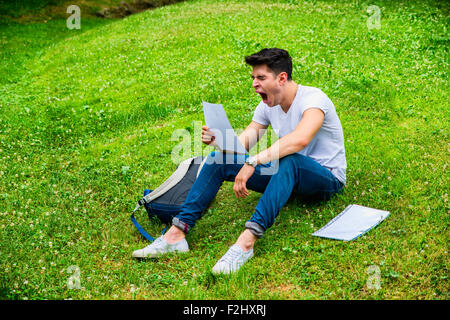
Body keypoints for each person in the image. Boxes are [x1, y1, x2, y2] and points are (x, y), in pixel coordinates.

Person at [132, 48, 347, 274]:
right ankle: (176, 235)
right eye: (253, 78)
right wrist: (218, 142)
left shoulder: (314, 100)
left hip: (325, 179)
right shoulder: (267, 105)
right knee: (218, 159)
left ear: (281, 78)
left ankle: (245, 244)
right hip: (286, 178)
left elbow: (300, 140)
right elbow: (241, 146)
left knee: (289, 160)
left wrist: (253, 162)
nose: (254, 83)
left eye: (261, 78)